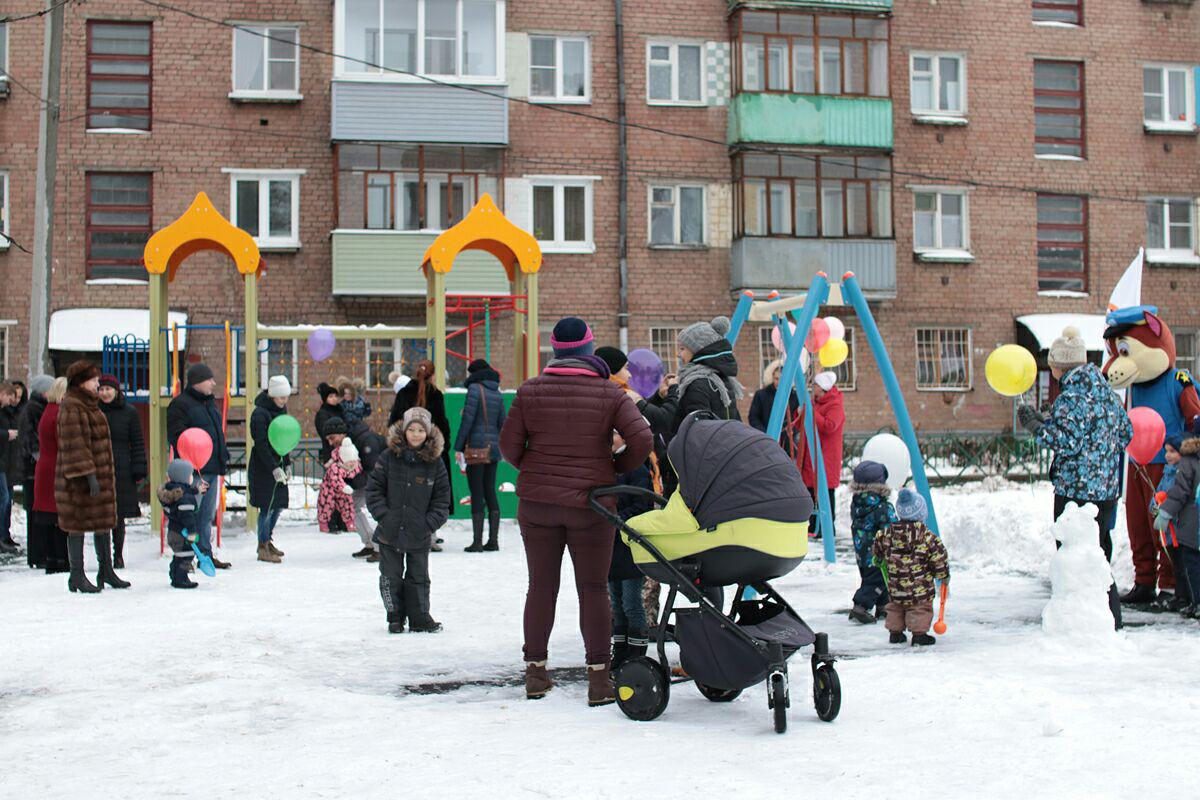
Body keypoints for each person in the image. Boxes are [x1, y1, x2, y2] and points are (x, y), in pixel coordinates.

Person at [499, 316, 653, 706]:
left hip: (538, 506)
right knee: (594, 589)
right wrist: (614, 470)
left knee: (541, 586)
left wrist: (537, 472)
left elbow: (508, 446)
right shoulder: (611, 393)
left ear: (554, 350)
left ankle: (535, 675)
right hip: (592, 505)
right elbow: (643, 437)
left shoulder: (529, 391)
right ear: (588, 349)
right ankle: (599, 681)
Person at [1018, 326, 1131, 627]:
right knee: (1099, 556)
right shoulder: (1107, 392)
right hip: (1106, 491)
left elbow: (1067, 442)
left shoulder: (1071, 398)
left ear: (1058, 366)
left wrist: (1036, 427)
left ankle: (1080, 622)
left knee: (1073, 555)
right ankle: (1109, 619)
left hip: (1075, 493)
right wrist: (1100, 454)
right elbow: (1126, 433)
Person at [367, 408, 451, 634]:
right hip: (389, 530)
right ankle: (394, 616)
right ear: (404, 431)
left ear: (428, 432)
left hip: (419, 531)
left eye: (420, 430)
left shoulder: (435, 463)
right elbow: (373, 490)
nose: (415, 434)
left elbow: (442, 499)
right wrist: (384, 515)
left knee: (418, 577)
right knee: (390, 576)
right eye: (411, 429)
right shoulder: (387, 457)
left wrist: (428, 523)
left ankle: (420, 617)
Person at [55, 360, 128, 593]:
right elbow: (75, 444)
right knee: (78, 524)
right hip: (79, 480)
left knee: (103, 522)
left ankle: (105, 569)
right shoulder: (72, 406)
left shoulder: (91, 405)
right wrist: (88, 475)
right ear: (81, 382)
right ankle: (76, 574)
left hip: (100, 475)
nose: (98, 383)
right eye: (94, 379)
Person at [167, 363, 231, 569]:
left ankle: (205, 555)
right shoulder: (180, 405)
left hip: (212, 468)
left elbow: (215, 435)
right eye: (209, 379)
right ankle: (185, 558)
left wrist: (222, 456)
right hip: (193, 472)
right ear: (197, 382)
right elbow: (177, 438)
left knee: (205, 517)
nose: (213, 383)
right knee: (189, 515)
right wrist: (191, 463)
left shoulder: (209, 404)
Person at [873, 488, 950, 646]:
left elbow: (878, 545)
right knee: (919, 608)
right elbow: (938, 557)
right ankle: (919, 634)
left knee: (896, 607)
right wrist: (943, 575)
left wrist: (879, 557)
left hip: (896, 584)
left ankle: (895, 633)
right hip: (919, 588)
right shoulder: (927, 537)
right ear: (921, 514)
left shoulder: (888, 533)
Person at [608, 432, 655, 670]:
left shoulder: (637, 469)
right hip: (610, 547)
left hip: (629, 545)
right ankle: (620, 651)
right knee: (616, 603)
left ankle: (636, 653)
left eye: (614, 435)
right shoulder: (606, 466)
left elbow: (643, 505)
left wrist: (617, 518)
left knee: (630, 601)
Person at [389, 360, 454, 521]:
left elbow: (394, 422)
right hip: (430, 452)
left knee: (409, 491)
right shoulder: (436, 394)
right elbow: (442, 425)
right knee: (432, 492)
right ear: (432, 376)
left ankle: (408, 528)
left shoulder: (403, 393)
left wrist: (399, 445)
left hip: (407, 451)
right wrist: (443, 446)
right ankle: (430, 534)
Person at [455, 359, 506, 553]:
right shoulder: (497, 392)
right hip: (493, 449)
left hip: (476, 448)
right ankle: (493, 541)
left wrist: (459, 446)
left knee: (477, 492)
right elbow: (502, 422)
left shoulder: (475, 389)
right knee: (490, 491)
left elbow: (468, 420)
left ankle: (477, 542)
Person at [98, 375, 147, 569]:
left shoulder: (129, 412)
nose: (105, 393)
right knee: (101, 515)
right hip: (100, 466)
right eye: (101, 389)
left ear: (116, 391)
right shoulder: (95, 411)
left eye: (108, 389)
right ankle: (104, 557)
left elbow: (137, 442)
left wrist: (138, 468)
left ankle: (117, 554)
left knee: (118, 516)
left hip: (121, 468)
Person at [1152, 430, 1200, 616]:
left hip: (1190, 523)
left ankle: (1196, 600)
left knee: (1191, 563)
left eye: (1173, 451)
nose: (1168, 455)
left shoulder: (1188, 462)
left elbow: (1179, 492)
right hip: (1191, 522)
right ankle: (1188, 598)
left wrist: (1164, 513)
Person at [669, 316, 743, 434]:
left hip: (703, 450)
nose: (678, 354)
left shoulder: (697, 384)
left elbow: (698, 430)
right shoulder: (722, 378)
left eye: (682, 349)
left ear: (698, 351)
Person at [248, 376, 293, 563]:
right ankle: (262, 546)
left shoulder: (282, 411)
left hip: (279, 462)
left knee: (278, 505)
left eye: (286, 397)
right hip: (263, 466)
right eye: (281, 397)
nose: (284, 401)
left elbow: (285, 439)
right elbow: (261, 444)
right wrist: (273, 468)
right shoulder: (260, 414)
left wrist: (287, 463)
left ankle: (268, 539)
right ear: (272, 395)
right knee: (266, 507)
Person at [800, 371, 846, 539]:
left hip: (826, 457)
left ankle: (826, 527)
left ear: (824, 388)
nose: (813, 388)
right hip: (812, 457)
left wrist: (812, 413)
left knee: (825, 492)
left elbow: (830, 426)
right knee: (811, 491)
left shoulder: (835, 404)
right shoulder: (817, 403)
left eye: (816, 385)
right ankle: (813, 526)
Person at [848, 460, 894, 624]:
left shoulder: (858, 503)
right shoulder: (882, 507)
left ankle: (883, 606)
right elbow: (891, 529)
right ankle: (860, 607)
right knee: (878, 580)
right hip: (878, 554)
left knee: (874, 579)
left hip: (862, 553)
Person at [34, 378, 69, 574]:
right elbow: (62, 443)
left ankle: (51, 559)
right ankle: (61, 560)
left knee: (49, 517)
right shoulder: (59, 414)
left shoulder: (48, 411)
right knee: (59, 518)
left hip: (45, 467)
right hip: (57, 468)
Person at [18, 375, 54, 568]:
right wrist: (41, 457)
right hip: (33, 471)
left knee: (38, 514)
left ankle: (39, 554)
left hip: (36, 469)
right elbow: (29, 440)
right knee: (35, 514)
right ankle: (37, 555)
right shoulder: (33, 409)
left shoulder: (39, 408)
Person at [346, 418, 387, 563]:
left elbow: (372, 469)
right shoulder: (352, 442)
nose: (331, 442)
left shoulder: (367, 441)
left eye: (332, 438)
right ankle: (370, 543)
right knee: (351, 505)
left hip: (383, 479)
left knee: (378, 509)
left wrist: (351, 483)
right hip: (370, 479)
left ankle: (380, 547)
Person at [159, 458, 202, 590]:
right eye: (190, 475)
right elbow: (187, 517)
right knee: (187, 554)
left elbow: (188, 490)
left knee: (179, 555)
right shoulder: (185, 499)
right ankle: (181, 578)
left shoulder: (173, 492)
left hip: (173, 532)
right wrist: (192, 532)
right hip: (182, 533)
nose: (191, 478)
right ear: (183, 477)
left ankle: (174, 574)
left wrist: (197, 490)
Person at [317, 417, 361, 534]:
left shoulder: (354, 446)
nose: (330, 443)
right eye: (328, 440)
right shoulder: (336, 454)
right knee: (326, 502)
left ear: (342, 434)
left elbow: (359, 466)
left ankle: (347, 523)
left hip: (348, 487)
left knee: (346, 503)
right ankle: (327, 523)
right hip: (335, 487)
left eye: (332, 438)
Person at [748, 358, 800, 454]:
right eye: (776, 379)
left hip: (788, 442)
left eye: (782, 379)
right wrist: (764, 433)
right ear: (772, 378)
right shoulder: (761, 395)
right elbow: (753, 417)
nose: (779, 382)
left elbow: (798, 417)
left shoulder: (793, 396)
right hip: (766, 439)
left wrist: (793, 430)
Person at [0, 382, 21, 553]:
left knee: (6, 499)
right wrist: (7, 434)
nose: (11, 401)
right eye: (10, 397)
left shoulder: (6, 412)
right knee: (4, 498)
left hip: (5, 462)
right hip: (2, 461)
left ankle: (4, 535)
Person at [314, 382, 346, 464]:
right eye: (331, 396)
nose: (334, 398)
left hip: (344, 450)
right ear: (326, 399)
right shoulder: (322, 413)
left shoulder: (340, 410)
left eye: (335, 396)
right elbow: (325, 432)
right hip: (330, 451)